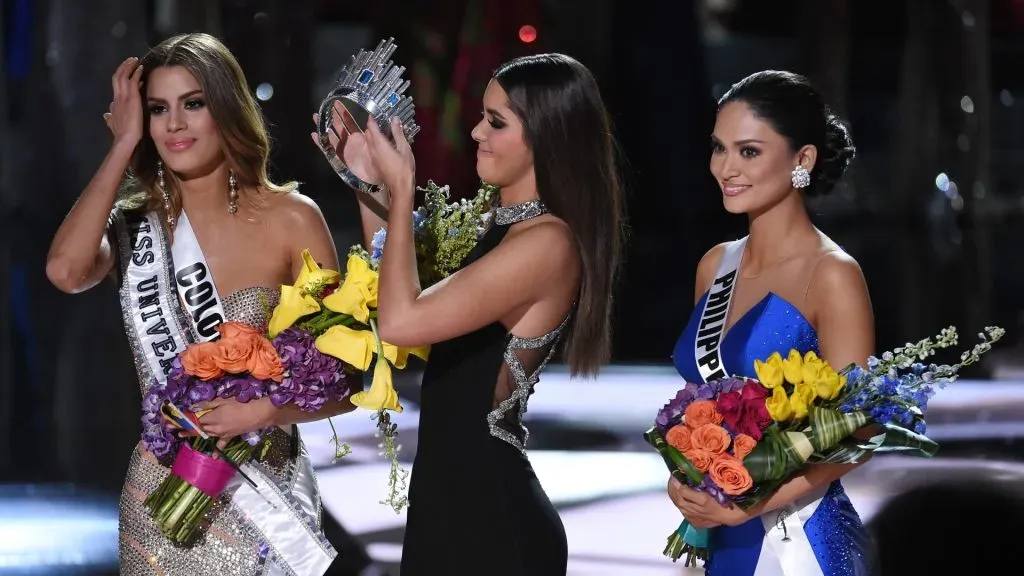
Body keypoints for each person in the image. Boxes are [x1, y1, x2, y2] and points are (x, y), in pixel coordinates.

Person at [45, 33, 350, 575]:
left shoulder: (292, 218)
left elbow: (346, 374)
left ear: (225, 106)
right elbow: (65, 272)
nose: (174, 124)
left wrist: (261, 411)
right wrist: (121, 147)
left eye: (193, 103)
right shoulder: (134, 228)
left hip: (265, 498)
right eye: (158, 109)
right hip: (160, 497)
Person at [320, 53, 624, 574]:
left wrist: (401, 191)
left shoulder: (546, 243)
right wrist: (368, 182)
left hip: (489, 518)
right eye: (483, 115)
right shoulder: (498, 227)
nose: (477, 131)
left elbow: (401, 321)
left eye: (497, 122)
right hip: (451, 501)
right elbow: (391, 283)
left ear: (546, 136)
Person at [666, 70, 873, 575]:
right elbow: (702, 405)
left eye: (749, 151)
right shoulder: (714, 265)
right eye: (719, 148)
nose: (726, 168)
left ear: (802, 160)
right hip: (724, 538)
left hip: (799, 541)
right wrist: (685, 473)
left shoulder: (832, 274)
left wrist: (750, 503)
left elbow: (861, 431)